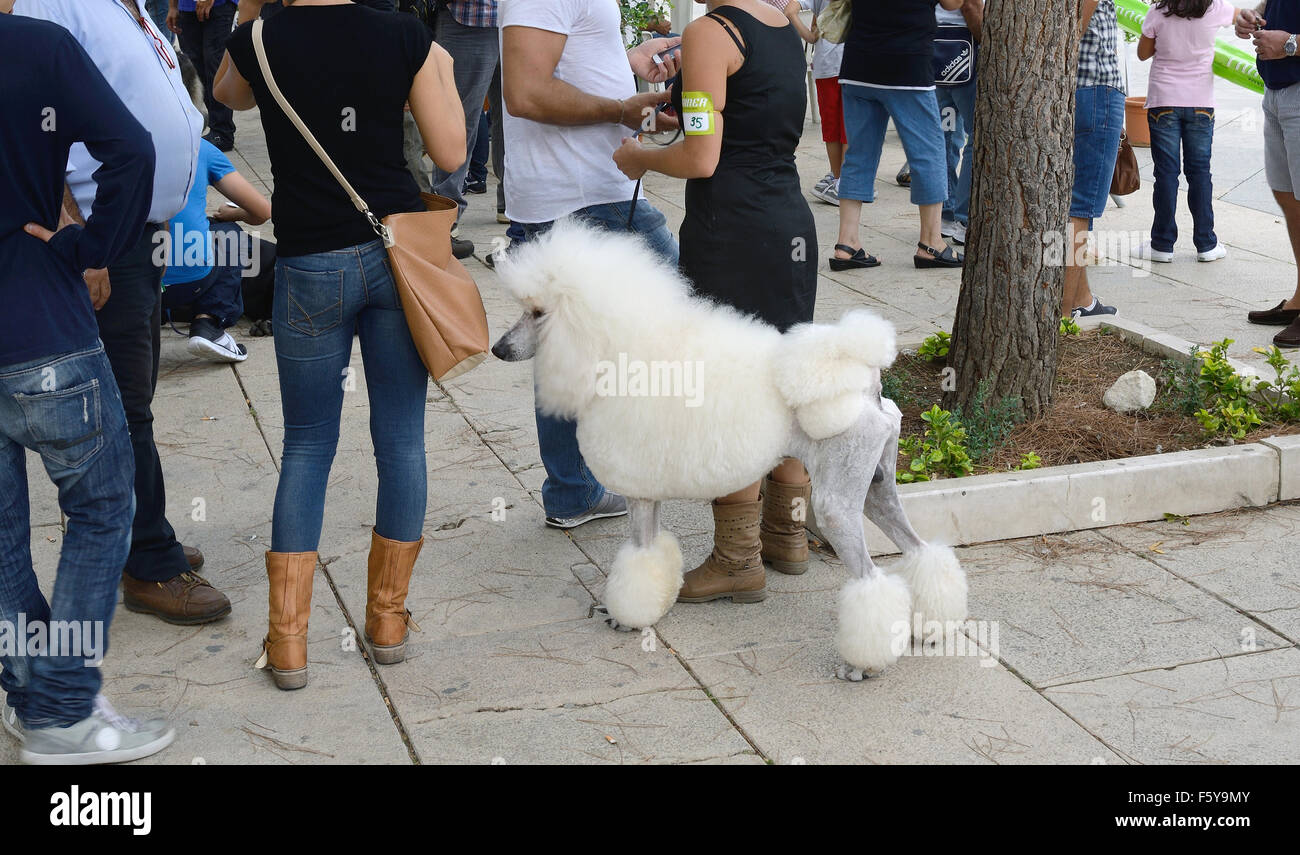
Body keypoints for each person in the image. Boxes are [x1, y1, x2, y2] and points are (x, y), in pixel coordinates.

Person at [215, 0, 465, 690]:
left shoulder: (258, 36)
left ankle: (288, 641)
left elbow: (224, 92)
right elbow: (451, 155)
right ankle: (387, 622)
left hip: (308, 266)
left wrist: (256, 12)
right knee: (402, 440)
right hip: (395, 257)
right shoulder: (403, 34)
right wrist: (434, 65)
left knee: (305, 445)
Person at [16, 0, 233, 626]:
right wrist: (78, 236)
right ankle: (148, 561)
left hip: (137, 233)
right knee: (120, 409)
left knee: (132, 399)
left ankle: (137, 535)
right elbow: (38, 123)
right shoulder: (53, 4)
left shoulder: (125, 3)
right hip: (104, 235)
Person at [1, 2, 175, 764]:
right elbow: (132, 149)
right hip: (41, 324)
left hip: (34, 318)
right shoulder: (37, 46)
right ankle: (63, 709)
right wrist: (92, 247)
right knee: (104, 507)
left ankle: (34, 696)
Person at [613, 0, 818, 602]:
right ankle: (789, 538)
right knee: (782, 384)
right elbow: (740, 123)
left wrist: (638, 158)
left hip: (733, 233)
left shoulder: (710, 32)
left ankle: (737, 560)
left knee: (731, 393)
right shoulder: (784, 27)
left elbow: (702, 157)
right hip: (788, 227)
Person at [500, 0, 681, 529]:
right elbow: (526, 91)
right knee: (683, 321)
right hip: (582, 197)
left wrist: (627, 61)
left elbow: (561, 59)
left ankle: (575, 489)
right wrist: (621, 110)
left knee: (565, 346)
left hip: (580, 192)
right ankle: (660, 465)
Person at [832, 0, 966, 272]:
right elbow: (953, 4)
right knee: (929, 154)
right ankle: (931, 243)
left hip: (858, 63)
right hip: (907, 64)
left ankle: (846, 244)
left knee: (858, 155)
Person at [1136, 1, 1236, 265]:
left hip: (1164, 101)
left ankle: (1162, 245)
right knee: (1200, 172)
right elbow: (1246, 16)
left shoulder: (1158, 11)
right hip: (1201, 102)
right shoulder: (1215, 9)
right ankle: (1206, 244)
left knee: (1166, 174)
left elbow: (1143, 54)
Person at [160, 137, 272, 362]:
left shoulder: (98, 140)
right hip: (188, 281)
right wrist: (235, 214)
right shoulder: (198, 145)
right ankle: (209, 321)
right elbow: (263, 211)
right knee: (229, 234)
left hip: (121, 286)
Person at [1240, 1, 1300, 345]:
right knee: (1287, 195)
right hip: (1276, 93)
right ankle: (1299, 300)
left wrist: (1289, 43)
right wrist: (1253, 17)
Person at [1063, 0, 1126, 318]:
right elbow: (1073, 32)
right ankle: (1061, 315)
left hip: (1077, 87)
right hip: (1096, 85)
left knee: (1073, 205)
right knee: (1080, 208)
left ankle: (1082, 300)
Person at [430, 1, 499, 260]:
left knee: (516, 121)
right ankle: (445, 218)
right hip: (469, 16)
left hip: (520, 20)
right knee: (458, 118)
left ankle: (518, 215)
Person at [935, 0, 984, 245]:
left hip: (938, 50)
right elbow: (970, 6)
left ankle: (945, 212)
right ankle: (963, 217)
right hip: (964, 47)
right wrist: (988, 41)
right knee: (976, 136)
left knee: (945, 135)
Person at [168, 0, 239, 152]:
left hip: (219, 6)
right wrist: (173, 6)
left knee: (215, 66)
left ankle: (222, 131)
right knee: (195, 70)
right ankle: (213, 124)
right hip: (186, 8)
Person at [798, 0, 847, 205]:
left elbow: (789, 9)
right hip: (852, 60)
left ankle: (837, 180)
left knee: (831, 129)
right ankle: (847, 183)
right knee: (849, 129)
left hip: (825, 64)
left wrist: (810, 35)